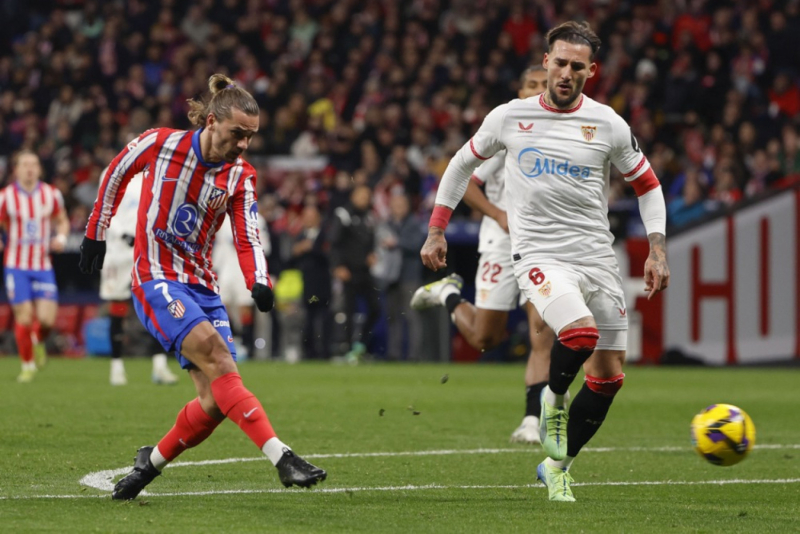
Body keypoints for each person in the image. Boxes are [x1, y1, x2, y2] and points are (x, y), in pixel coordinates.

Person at [419, 22, 669, 502]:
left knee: (609, 376)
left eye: (578, 66)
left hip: (596, 256)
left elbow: (648, 185)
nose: (566, 73)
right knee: (579, 334)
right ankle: (552, 398)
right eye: (560, 63)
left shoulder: (608, 124)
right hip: (539, 253)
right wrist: (436, 229)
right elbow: (460, 165)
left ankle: (557, 466)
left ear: (591, 71)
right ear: (546, 61)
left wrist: (657, 248)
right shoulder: (510, 117)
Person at [80, 74, 326, 500]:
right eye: (238, 133)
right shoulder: (160, 143)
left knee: (215, 400)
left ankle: (149, 464)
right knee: (218, 358)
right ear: (212, 121)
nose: (244, 144)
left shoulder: (240, 175)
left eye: (251, 136)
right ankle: (282, 457)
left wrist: (259, 280)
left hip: (203, 287)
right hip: (156, 278)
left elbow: (248, 235)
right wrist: (95, 231)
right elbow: (117, 172)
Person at [411, 66, 555, 442]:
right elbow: (467, 181)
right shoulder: (507, 130)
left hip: (542, 245)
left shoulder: (562, 134)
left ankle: (530, 420)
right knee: (485, 338)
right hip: (500, 243)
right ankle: (448, 293)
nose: (538, 90)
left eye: (544, 85)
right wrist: (498, 214)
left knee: (543, 331)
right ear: (520, 91)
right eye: (531, 85)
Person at [98, 170, 179, 386]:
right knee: (118, 307)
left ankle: (159, 365)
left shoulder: (158, 172)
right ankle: (116, 367)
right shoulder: (113, 172)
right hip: (118, 251)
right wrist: (122, 233)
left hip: (148, 250)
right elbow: (104, 208)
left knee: (157, 304)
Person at [0, 150, 69, 383]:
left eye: (33, 164)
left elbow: (62, 220)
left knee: (47, 320)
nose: (29, 168)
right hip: (15, 265)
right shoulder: (6, 197)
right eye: (25, 164)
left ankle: (38, 340)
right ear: (16, 169)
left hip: (42, 265)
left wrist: (61, 237)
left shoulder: (51, 194)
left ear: (39, 169)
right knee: (24, 316)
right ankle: (27, 365)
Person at [211, 196, 270, 360]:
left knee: (245, 306)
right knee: (221, 304)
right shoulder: (222, 220)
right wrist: (215, 267)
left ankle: (247, 344)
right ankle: (234, 338)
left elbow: (264, 246)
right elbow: (219, 245)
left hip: (244, 268)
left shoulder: (256, 218)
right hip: (226, 267)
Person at [329, 184, 379, 361]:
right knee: (347, 311)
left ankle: (360, 345)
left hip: (364, 270)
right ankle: (346, 348)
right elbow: (333, 243)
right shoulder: (343, 214)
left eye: (367, 196)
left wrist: (372, 254)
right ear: (353, 196)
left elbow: (370, 241)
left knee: (375, 308)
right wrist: (337, 266)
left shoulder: (369, 216)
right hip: (347, 270)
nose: (364, 200)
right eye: (361, 195)